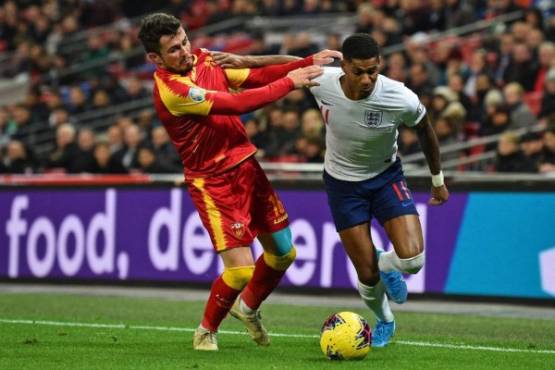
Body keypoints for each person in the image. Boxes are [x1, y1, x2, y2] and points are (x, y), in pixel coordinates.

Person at [214, 33, 450, 347]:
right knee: (366, 275)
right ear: (344, 67)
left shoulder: (399, 96)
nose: (367, 79)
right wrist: (247, 60)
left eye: (373, 71)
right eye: (359, 72)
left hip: (386, 177)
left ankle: (385, 263)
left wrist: (437, 180)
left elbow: (425, 129)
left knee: (413, 261)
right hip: (342, 185)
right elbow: (291, 65)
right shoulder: (323, 81)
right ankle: (385, 320)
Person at [137, 13, 341, 351]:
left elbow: (253, 76)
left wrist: (306, 62)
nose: (185, 51)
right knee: (241, 270)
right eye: (174, 49)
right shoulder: (173, 91)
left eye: (185, 41)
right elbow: (236, 103)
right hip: (213, 181)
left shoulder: (203, 58)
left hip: (246, 166)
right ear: (154, 59)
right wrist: (292, 81)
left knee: (283, 254)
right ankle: (205, 330)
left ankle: (247, 308)